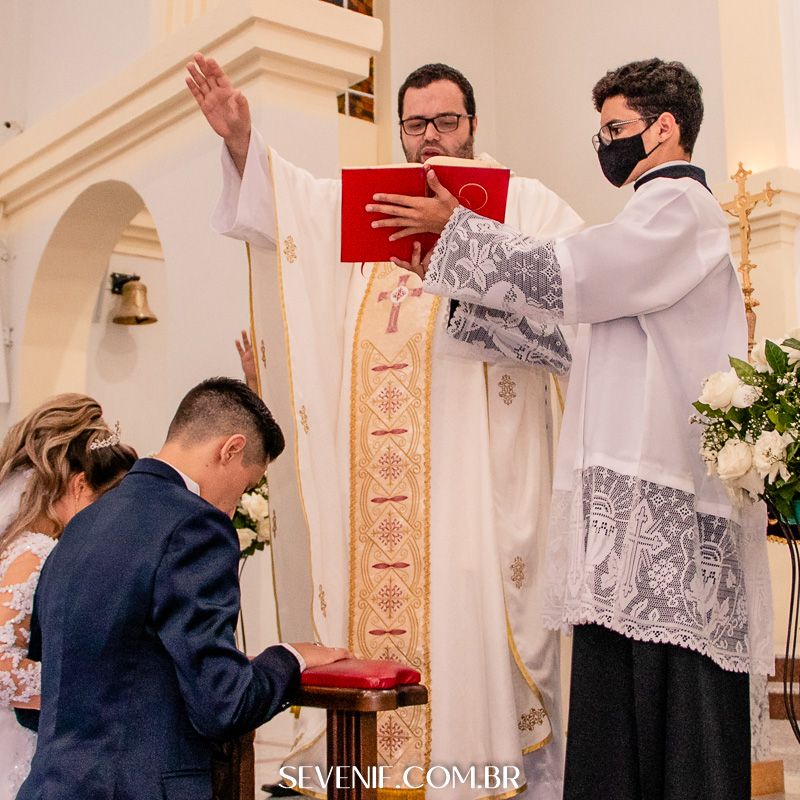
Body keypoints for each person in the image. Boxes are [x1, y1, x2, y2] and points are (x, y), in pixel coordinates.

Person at [189, 54, 582, 798]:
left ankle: (476, 774)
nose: (431, 137)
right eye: (415, 124)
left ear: (473, 125)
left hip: (475, 484)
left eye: (446, 121)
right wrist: (243, 142)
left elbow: (575, 282)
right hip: (381, 497)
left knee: (467, 622)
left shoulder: (522, 203)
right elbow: (287, 208)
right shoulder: (366, 204)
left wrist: (464, 232)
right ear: (399, 130)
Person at [383, 58, 773, 800]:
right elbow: (577, 341)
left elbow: (576, 272)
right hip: (621, 512)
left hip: (663, 507)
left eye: (616, 129)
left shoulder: (679, 209)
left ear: (665, 128)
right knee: (618, 730)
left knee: (672, 728)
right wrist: (462, 292)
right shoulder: (643, 219)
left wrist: (461, 236)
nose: (605, 146)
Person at [17, 378, 349, 800]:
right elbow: (223, 706)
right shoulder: (196, 527)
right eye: (245, 486)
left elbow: (50, 690)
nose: (232, 506)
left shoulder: (82, 524)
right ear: (229, 449)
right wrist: (290, 657)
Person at [0, 393, 136, 799]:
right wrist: (94, 685)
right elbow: (4, 670)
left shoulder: (26, 546)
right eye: (106, 500)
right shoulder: (34, 552)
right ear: (79, 486)